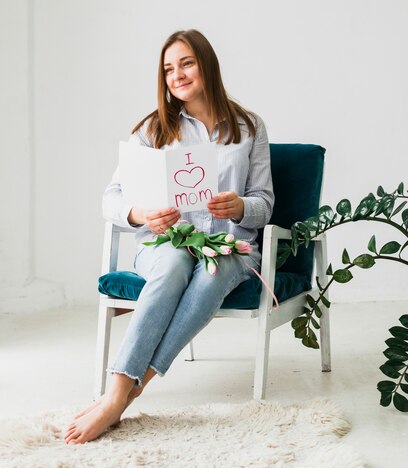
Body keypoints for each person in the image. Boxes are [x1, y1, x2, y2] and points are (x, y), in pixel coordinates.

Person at [64, 29, 274, 444]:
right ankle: (120, 390)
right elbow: (112, 199)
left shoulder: (249, 126)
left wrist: (240, 207)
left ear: (207, 65)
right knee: (177, 261)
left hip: (232, 248)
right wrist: (143, 214)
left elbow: (265, 203)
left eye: (187, 63)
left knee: (213, 268)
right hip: (166, 246)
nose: (176, 75)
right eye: (167, 68)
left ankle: (121, 393)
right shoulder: (152, 130)